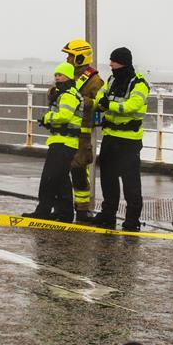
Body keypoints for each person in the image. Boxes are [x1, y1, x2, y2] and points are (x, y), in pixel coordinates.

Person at [91, 47, 150, 231]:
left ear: (122, 62)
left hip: (129, 140)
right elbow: (100, 96)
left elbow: (133, 106)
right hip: (110, 136)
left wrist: (109, 105)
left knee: (130, 182)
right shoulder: (111, 80)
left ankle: (132, 220)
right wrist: (101, 103)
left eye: (113, 61)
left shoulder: (139, 83)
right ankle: (108, 215)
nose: (110, 64)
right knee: (108, 179)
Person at [22, 62, 84, 223]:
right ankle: (65, 214)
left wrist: (47, 118)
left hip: (64, 142)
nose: (57, 77)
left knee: (49, 178)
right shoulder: (65, 93)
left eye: (60, 75)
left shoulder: (68, 95)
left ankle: (43, 211)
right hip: (63, 141)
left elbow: (64, 116)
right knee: (61, 179)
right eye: (56, 75)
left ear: (68, 76)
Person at [60, 39, 105, 223]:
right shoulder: (67, 74)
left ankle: (82, 210)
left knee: (79, 171)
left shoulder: (94, 80)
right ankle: (63, 209)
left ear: (80, 57)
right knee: (61, 171)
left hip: (82, 133)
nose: (67, 59)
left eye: (71, 56)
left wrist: (77, 100)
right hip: (64, 131)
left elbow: (99, 104)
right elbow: (55, 91)